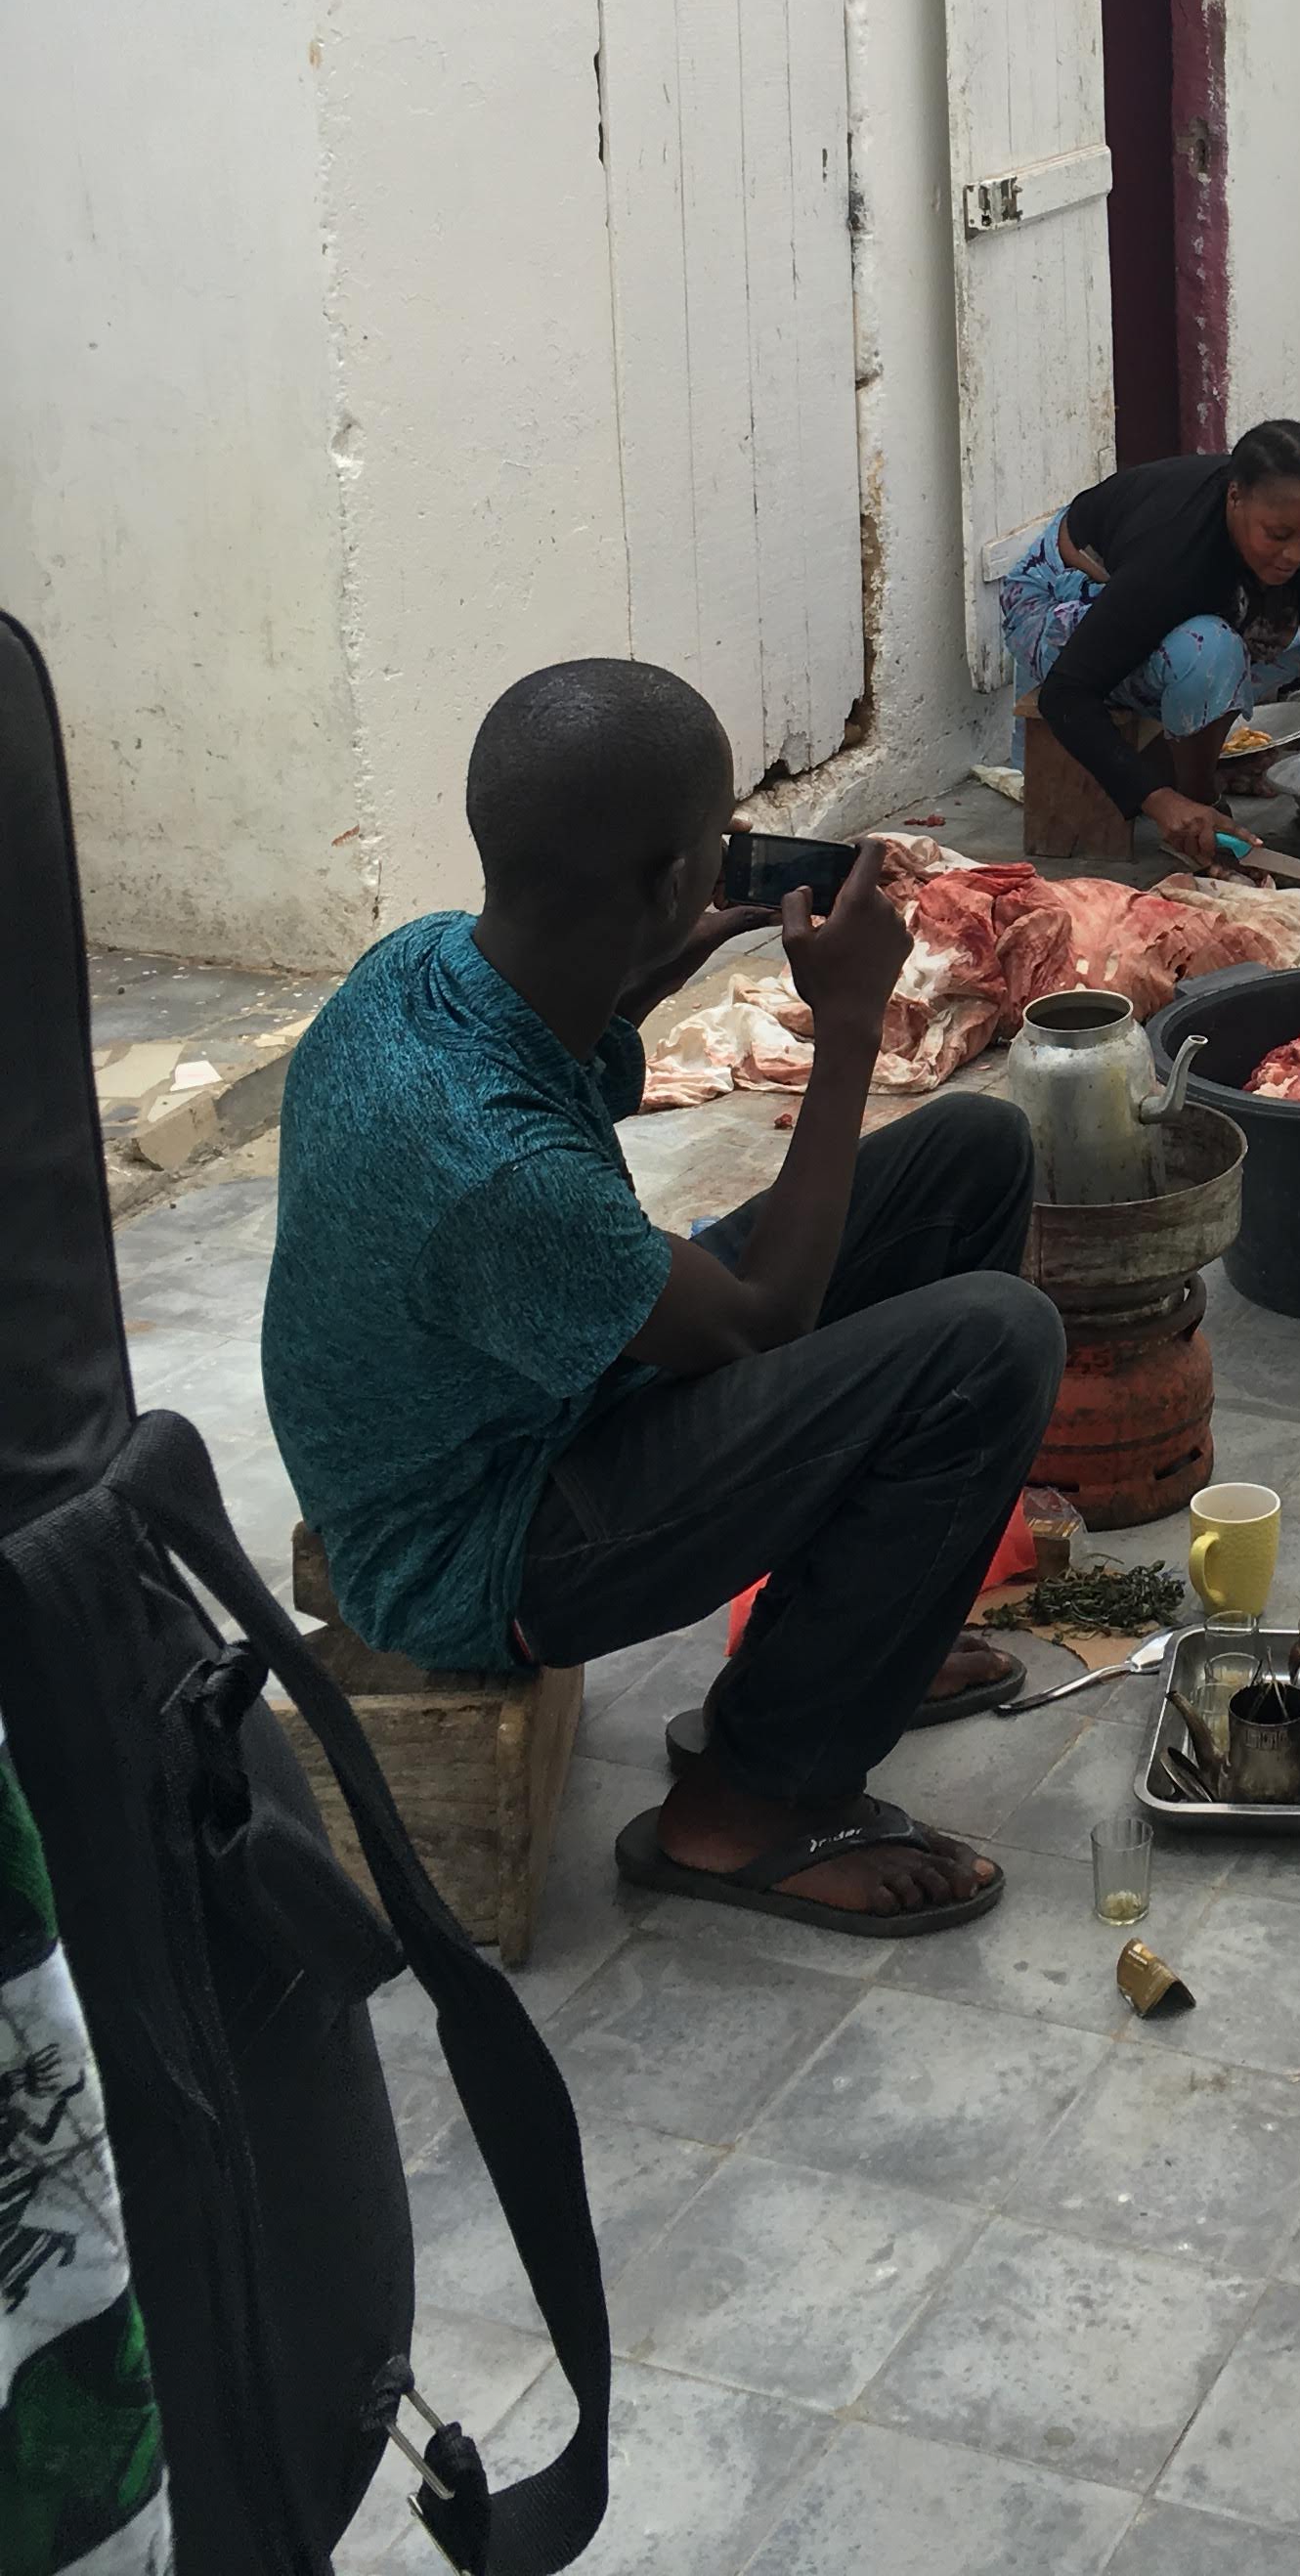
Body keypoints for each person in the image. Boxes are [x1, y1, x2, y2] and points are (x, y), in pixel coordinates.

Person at [263, 659, 1065, 1936]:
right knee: (992, 1345)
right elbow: (761, 1325)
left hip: (519, 1389)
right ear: (659, 878)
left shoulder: (420, 965)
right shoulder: (495, 1169)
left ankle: (840, 1647)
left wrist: (664, 949)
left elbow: (559, 1045)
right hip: (474, 1542)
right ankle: (743, 1807)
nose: (731, 854)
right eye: (715, 843)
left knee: (974, 1155)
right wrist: (849, 1026)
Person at [1000, 420, 1300, 866]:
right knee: (1210, 648)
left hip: (1185, 589)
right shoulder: (1173, 558)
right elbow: (1068, 695)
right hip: (1057, 594)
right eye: (1278, 535)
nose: (1295, 554)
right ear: (1234, 498)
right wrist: (1162, 801)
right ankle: (1198, 797)